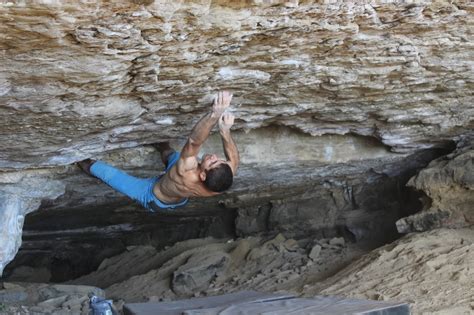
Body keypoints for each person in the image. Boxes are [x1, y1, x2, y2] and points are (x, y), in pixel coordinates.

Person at [77, 91, 239, 211]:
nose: (214, 156)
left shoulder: (186, 171)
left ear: (202, 175)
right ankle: (161, 145)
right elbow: (233, 160)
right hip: (177, 193)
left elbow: (194, 142)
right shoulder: (220, 181)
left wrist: (215, 114)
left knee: (103, 172)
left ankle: (80, 161)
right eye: (219, 159)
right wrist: (225, 131)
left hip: (152, 195)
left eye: (212, 162)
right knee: (170, 156)